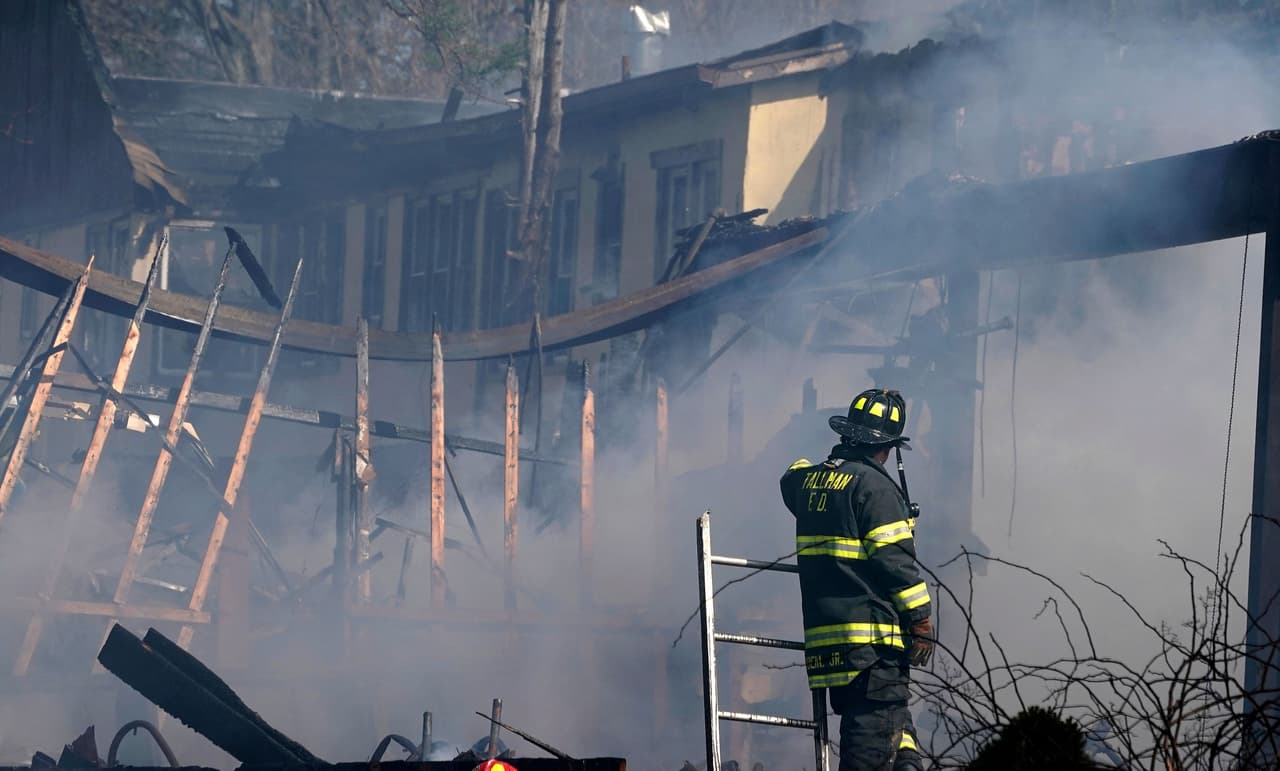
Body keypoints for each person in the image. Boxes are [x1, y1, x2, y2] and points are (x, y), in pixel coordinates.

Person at [780, 388, 934, 771]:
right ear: (887, 447)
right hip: (873, 649)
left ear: (847, 433)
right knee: (869, 754)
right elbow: (896, 564)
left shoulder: (810, 481)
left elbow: (791, 476)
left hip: (832, 651)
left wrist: (827, 462)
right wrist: (921, 621)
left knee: (898, 740)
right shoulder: (876, 489)